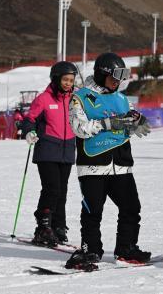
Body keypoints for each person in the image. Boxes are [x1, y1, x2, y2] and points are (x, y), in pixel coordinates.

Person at [65, 52, 152, 271]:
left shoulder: (121, 98)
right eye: (114, 77)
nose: (117, 82)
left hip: (121, 163)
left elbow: (127, 121)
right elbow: (79, 128)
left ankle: (126, 248)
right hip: (94, 164)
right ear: (101, 74)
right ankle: (90, 249)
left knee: (131, 208)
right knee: (93, 211)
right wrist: (108, 123)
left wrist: (137, 121)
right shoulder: (80, 97)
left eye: (121, 78)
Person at [20, 61, 78, 246]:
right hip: (47, 150)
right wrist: (29, 132)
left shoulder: (74, 100)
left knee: (62, 191)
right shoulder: (44, 99)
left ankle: (58, 226)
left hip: (67, 150)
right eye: (65, 79)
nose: (68, 83)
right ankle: (43, 228)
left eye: (71, 80)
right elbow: (29, 119)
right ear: (56, 79)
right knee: (52, 189)